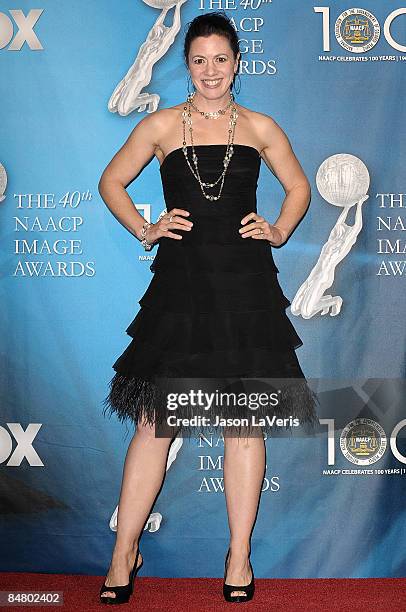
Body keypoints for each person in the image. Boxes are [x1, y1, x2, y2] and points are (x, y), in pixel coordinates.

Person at [98, 11, 319, 605]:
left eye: (221, 59)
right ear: (187, 66)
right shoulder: (163, 124)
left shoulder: (263, 126)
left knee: (243, 424)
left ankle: (239, 555)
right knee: (155, 423)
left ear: (237, 64)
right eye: (199, 60)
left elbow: (299, 187)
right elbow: (110, 182)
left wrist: (278, 230)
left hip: (247, 290)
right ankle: (124, 553)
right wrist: (146, 227)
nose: (210, 71)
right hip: (181, 290)